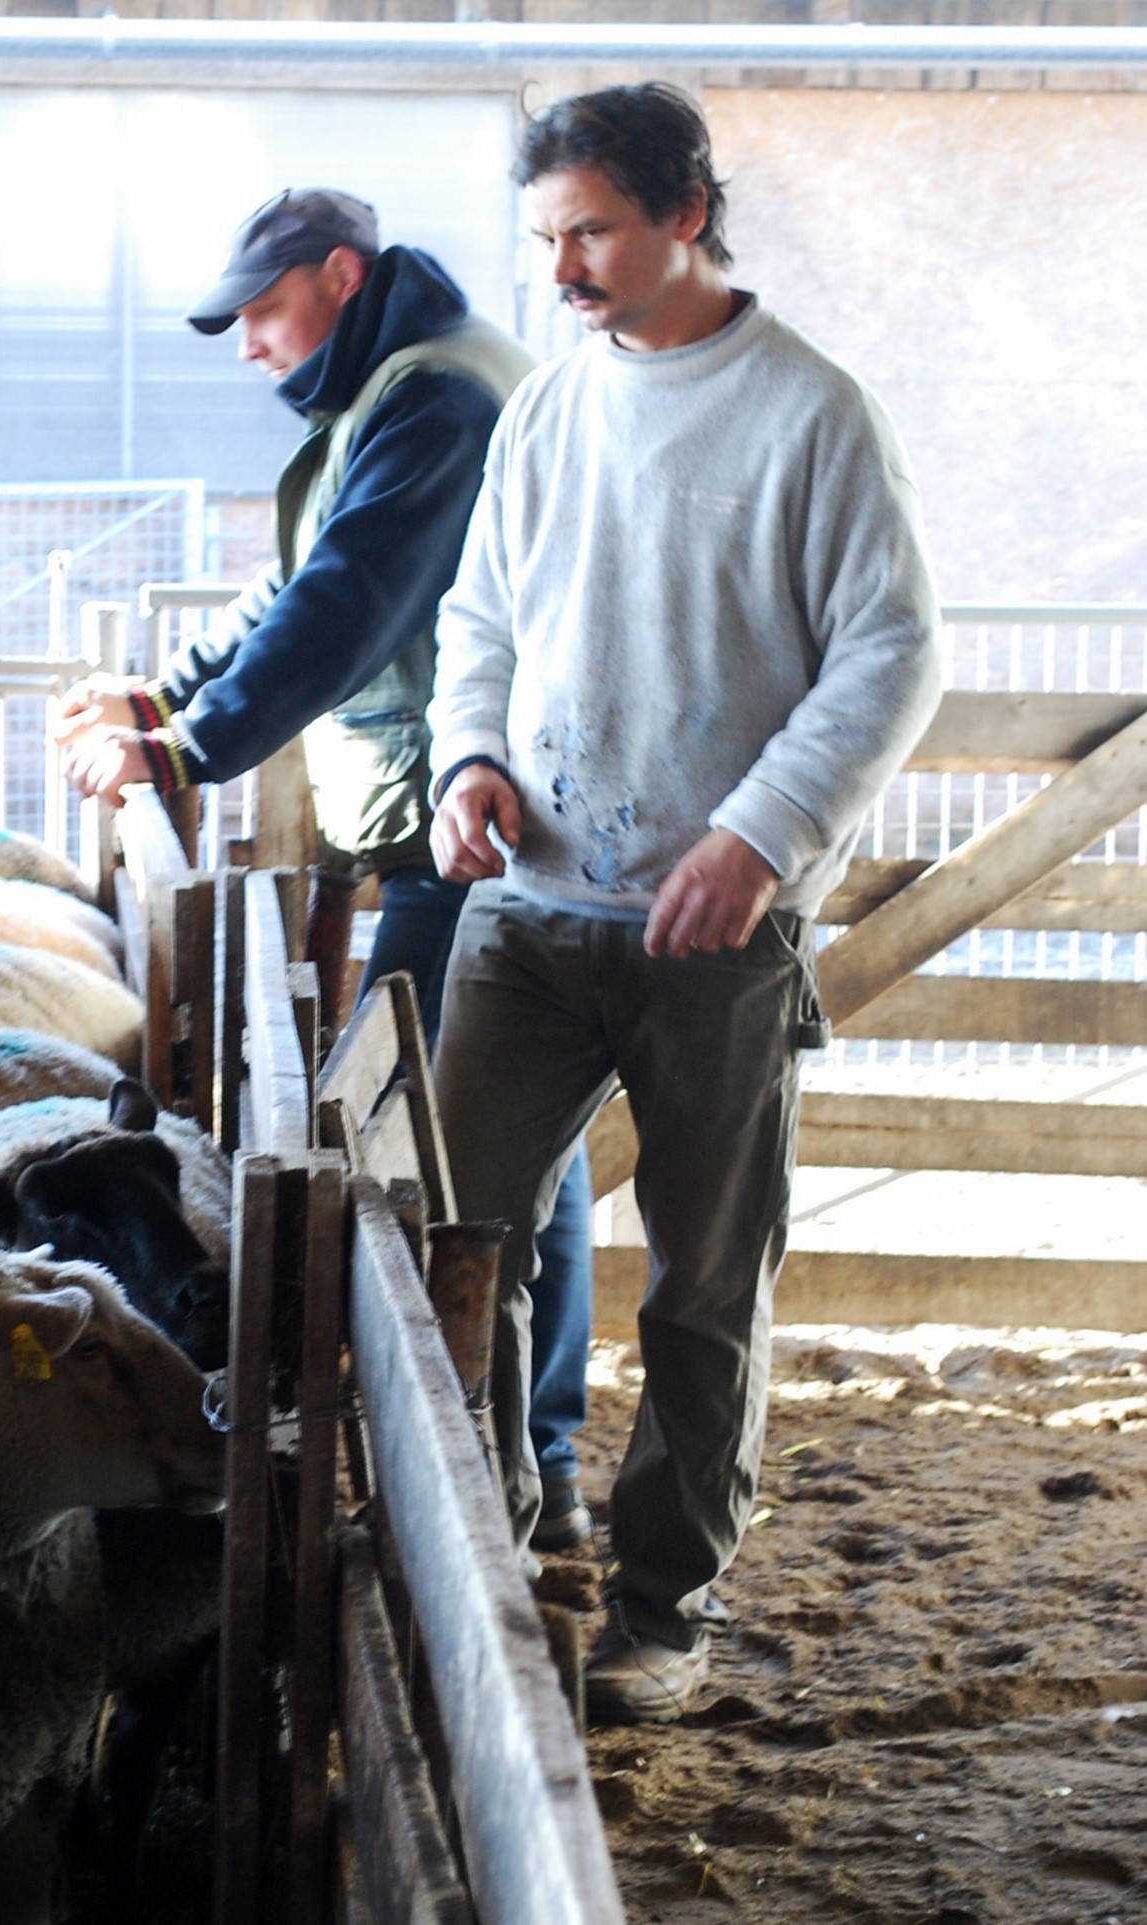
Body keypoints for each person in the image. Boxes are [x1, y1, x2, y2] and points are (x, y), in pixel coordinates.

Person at [425, 84, 942, 1722]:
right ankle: (484, 1551)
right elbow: (479, 616)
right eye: (542, 238)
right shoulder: (548, 407)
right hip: (530, 904)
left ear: (686, 211)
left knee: (706, 1278)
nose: (560, 266)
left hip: (716, 925)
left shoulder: (808, 413)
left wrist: (760, 834)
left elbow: (890, 651)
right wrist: (466, 759)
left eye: (587, 229)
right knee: (456, 1232)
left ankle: (662, 1610)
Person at [51, 188, 596, 1541]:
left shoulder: (440, 398)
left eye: (257, 310)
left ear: (337, 276)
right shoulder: (392, 393)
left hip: (467, 823)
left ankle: (510, 1462)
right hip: (441, 817)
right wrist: (164, 699)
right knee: (508, 1139)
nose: (243, 343)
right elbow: (288, 582)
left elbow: (349, 603)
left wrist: (185, 754)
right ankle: (538, 1457)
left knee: (431, 1129)